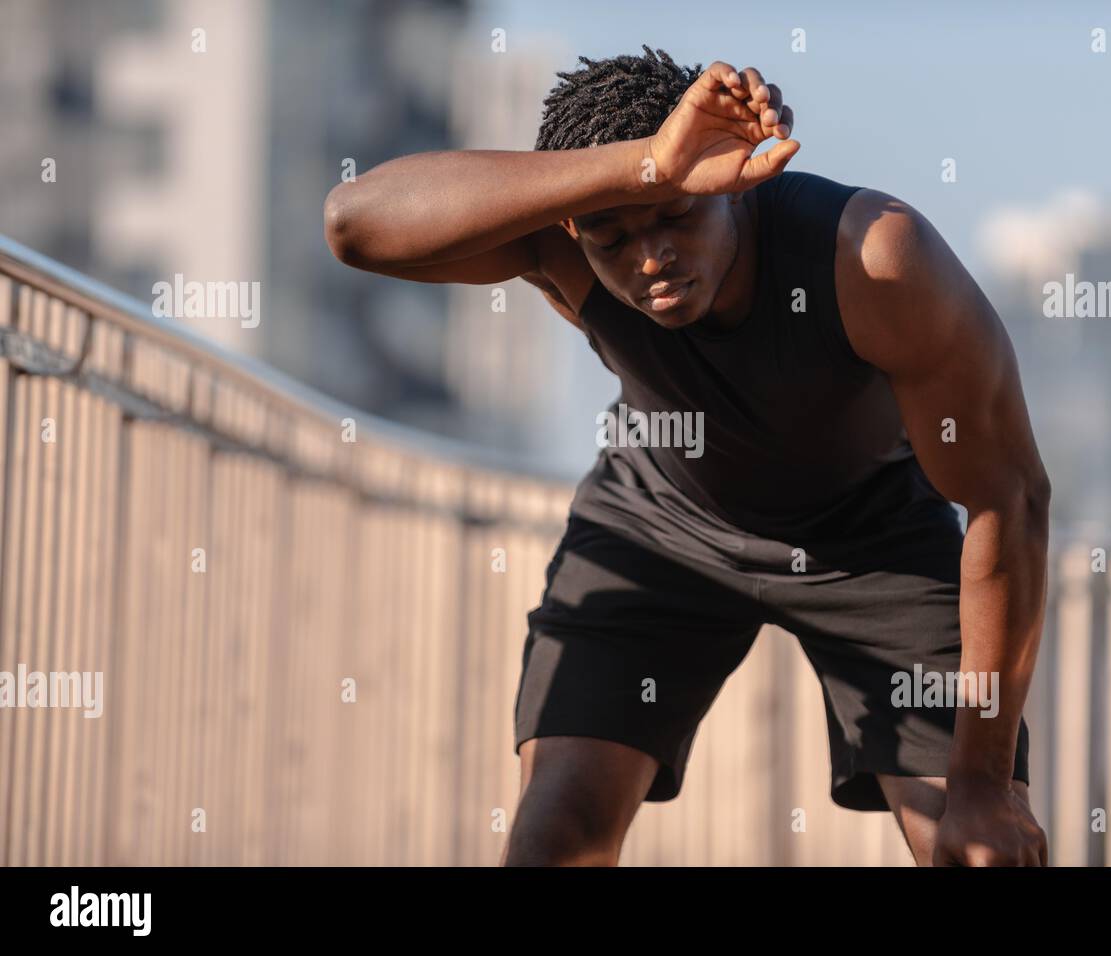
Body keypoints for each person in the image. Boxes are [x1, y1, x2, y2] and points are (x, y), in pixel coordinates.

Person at [324, 46, 1052, 867]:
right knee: (555, 835)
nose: (650, 259)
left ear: (731, 184)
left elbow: (1010, 498)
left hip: (871, 541)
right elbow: (355, 225)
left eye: (676, 214)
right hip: (658, 521)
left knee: (978, 850)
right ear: (574, 224)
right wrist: (641, 170)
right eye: (614, 234)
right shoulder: (556, 246)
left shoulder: (873, 257)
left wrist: (986, 782)